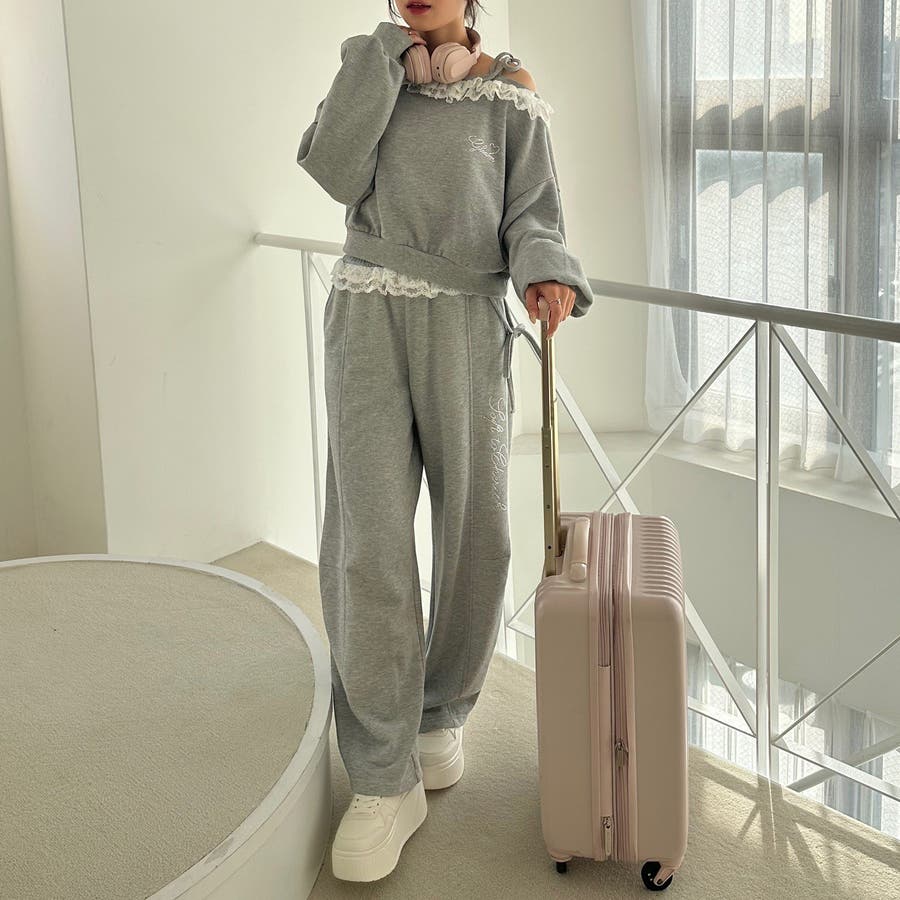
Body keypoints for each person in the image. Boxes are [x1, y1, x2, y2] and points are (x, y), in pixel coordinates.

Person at [296, 0, 594, 883]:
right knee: (369, 542)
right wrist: (383, 62)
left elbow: (533, 213)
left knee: (477, 531)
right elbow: (333, 171)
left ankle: (439, 713)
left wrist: (544, 273)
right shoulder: (369, 63)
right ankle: (382, 775)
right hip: (365, 314)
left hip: (466, 321)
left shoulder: (508, 92)